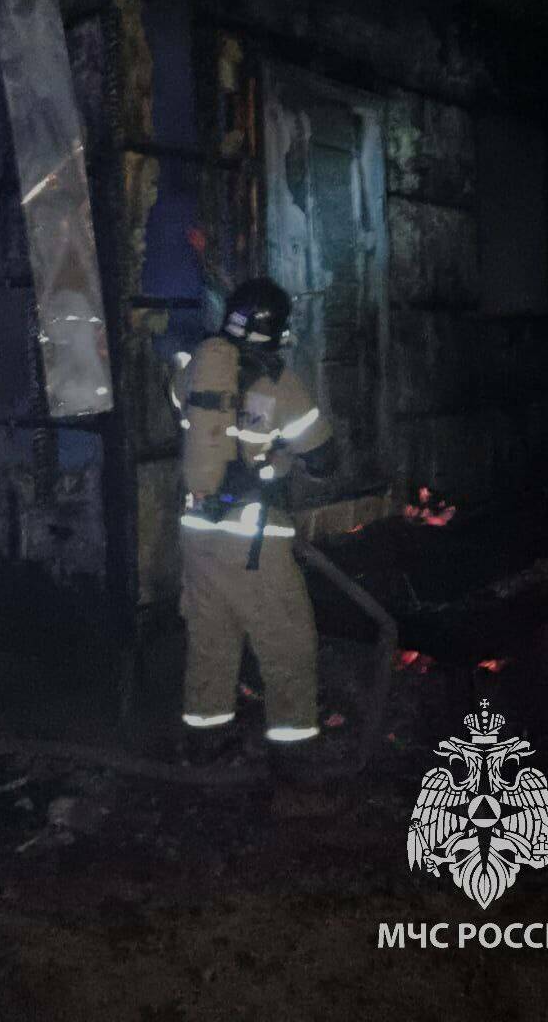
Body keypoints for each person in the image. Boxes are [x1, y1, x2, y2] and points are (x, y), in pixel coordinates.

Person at [170, 277, 338, 792]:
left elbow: (184, 408)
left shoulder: (196, 367)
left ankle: (205, 742)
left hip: (197, 534)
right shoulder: (282, 384)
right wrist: (282, 454)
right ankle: (294, 755)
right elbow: (323, 458)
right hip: (252, 543)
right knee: (287, 640)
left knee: (211, 637)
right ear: (278, 329)